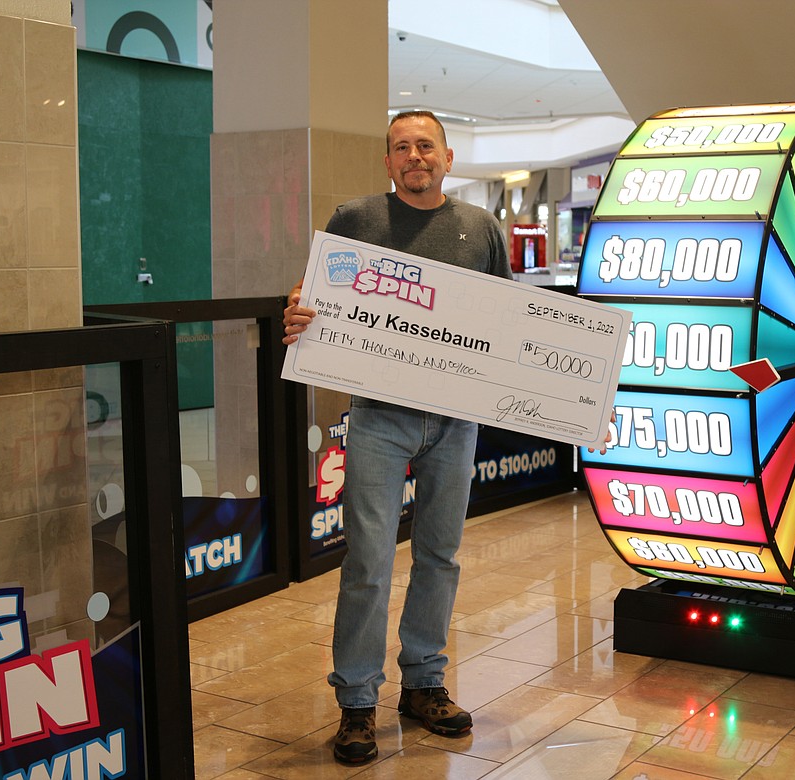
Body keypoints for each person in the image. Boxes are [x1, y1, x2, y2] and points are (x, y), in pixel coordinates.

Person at [281, 110, 512, 766]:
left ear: (447, 155)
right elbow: (315, 298)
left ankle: (424, 684)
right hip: (379, 418)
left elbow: (507, 322)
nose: (415, 156)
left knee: (440, 554)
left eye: (425, 146)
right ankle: (357, 700)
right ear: (388, 162)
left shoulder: (481, 229)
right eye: (401, 147)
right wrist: (298, 310)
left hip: (455, 419)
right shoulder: (356, 220)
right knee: (368, 562)